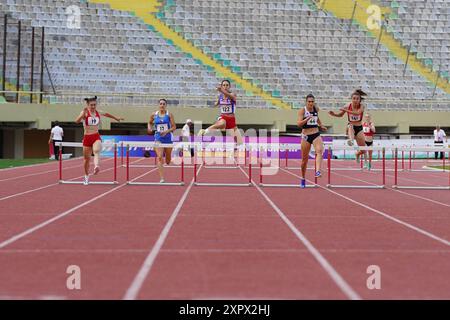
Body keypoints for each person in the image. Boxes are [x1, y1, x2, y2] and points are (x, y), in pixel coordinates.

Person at [75, 96, 124, 185]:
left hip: (96, 135)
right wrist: (82, 116)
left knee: (97, 151)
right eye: (91, 105)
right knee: (86, 159)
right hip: (87, 137)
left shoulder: (98, 112)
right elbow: (77, 121)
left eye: (94, 105)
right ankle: (86, 176)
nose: (93, 107)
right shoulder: (84, 112)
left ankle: (96, 166)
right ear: (87, 105)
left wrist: (116, 118)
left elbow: (107, 114)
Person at [197, 79, 243, 146]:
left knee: (239, 143)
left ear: (229, 86)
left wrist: (221, 90)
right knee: (222, 124)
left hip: (232, 121)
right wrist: (210, 104)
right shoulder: (220, 96)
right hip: (223, 117)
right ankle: (204, 131)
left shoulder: (232, 94)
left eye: (227, 85)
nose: (225, 86)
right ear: (221, 86)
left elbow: (231, 96)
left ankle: (233, 153)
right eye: (224, 85)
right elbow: (216, 104)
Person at [297, 94, 327, 188]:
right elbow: (298, 124)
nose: (311, 103)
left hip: (315, 133)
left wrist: (321, 125)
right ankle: (302, 178)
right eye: (309, 101)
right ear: (306, 102)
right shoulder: (302, 110)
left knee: (319, 151)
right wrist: (307, 119)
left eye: (312, 101)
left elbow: (317, 118)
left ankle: (317, 171)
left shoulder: (316, 109)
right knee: (304, 160)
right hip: (306, 136)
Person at [328, 89, 367, 163]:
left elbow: (357, 113)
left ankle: (357, 153)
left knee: (363, 150)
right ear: (351, 99)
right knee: (350, 126)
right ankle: (351, 140)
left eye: (357, 99)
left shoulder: (362, 106)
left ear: (360, 100)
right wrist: (334, 114)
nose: (355, 100)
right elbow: (340, 115)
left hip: (359, 128)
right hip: (351, 126)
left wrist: (346, 110)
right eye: (354, 98)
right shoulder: (347, 106)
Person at [148, 99, 176, 183]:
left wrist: (166, 131)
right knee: (159, 157)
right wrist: (149, 128)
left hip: (167, 137)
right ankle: (162, 178)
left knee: (167, 161)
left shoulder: (169, 114)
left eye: (164, 104)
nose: (162, 105)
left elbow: (174, 127)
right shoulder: (154, 114)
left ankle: (168, 158)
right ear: (159, 105)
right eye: (161, 103)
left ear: (166, 105)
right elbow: (149, 122)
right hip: (158, 137)